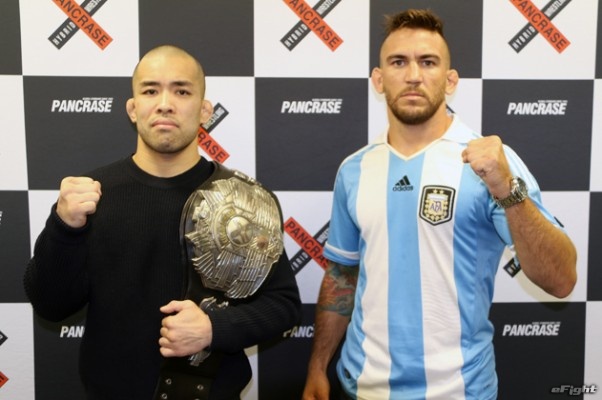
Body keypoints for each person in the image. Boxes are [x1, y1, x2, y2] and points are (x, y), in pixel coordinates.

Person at [302, 9, 577, 400]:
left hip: (460, 391)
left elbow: (561, 280)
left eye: (428, 62)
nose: (413, 75)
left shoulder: (492, 162)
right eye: (399, 62)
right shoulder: (354, 169)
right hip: (361, 386)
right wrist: (317, 366)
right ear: (378, 79)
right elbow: (342, 274)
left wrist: (506, 189)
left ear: (450, 80)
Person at [24, 45, 301, 400]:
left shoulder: (243, 200)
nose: (165, 104)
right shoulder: (91, 196)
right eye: (151, 90)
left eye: (181, 91)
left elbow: (283, 306)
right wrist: (63, 228)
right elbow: (51, 305)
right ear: (132, 108)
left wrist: (214, 328)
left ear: (205, 111)